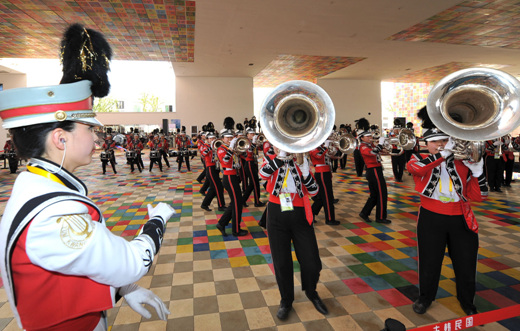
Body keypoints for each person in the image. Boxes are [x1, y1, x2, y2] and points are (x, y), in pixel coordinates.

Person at [0, 22, 176, 330]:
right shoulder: (52, 213)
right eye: (89, 128)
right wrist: (156, 221)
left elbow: (69, 272)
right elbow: (130, 263)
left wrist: (124, 289)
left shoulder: (39, 187)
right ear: (60, 138)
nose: (96, 139)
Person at [407, 106, 488, 316]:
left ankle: (467, 301)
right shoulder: (418, 160)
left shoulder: (463, 163)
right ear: (426, 143)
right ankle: (425, 298)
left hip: (461, 217)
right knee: (429, 261)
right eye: (434, 141)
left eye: (444, 140)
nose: (440, 144)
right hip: (431, 217)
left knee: (466, 262)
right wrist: (444, 154)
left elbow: (480, 196)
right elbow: (417, 170)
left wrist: (478, 171)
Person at [259, 145, 328, 320]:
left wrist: (305, 173)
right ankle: (286, 300)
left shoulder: (302, 161)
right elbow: (263, 175)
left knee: (312, 262)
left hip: (299, 214)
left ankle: (311, 291)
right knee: (281, 262)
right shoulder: (270, 158)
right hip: (276, 212)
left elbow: (314, 191)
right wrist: (280, 158)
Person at [215, 117, 248, 237]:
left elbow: (243, 154)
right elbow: (225, 160)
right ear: (222, 139)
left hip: (233, 176)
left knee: (235, 203)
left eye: (231, 137)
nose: (229, 139)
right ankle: (236, 230)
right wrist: (231, 148)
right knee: (237, 203)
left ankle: (222, 223)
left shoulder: (230, 147)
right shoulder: (221, 149)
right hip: (228, 177)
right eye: (227, 137)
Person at [356, 118, 391, 224]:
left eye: (370, 136)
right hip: (373, 170)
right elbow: (373, 152)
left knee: (375, 195)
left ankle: (364, 213)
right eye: (368, 136)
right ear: (362, 138)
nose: (371, 138)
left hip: (376, 169)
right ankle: (380, 217)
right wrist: (380, 144)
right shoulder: (362, 147)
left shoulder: (369, 144)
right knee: (382, 193)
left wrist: (385, 149)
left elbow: (378, 151)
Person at [309, 139, 340, 225]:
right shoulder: (313, 148)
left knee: (322, 197)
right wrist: (326, 146)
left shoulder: (321, 147)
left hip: (326, 172)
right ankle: (330, 219)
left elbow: (330, 155)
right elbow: (319, 156)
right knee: (327, 197)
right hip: (321, 172)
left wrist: (333, 147)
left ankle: (311, 213)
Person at [200, 131, 227, 212]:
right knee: (219, 187)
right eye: (211, 138)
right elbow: (203, 154)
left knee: (213, 188)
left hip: (216, 167)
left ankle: (204, 204)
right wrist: (210, 147)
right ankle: (221, 205)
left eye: (213, 138)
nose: (212, 139)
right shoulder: (205, 146)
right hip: (210, 168)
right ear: (207, 139)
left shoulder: (217, 145)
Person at [241, 127, 265, 207]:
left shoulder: (251, 141)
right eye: (251, 134)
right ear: (247, 135)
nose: (253, 135)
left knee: (252, 184)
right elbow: (249, 152)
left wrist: (259, 143)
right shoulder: (245, 142)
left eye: (254, 133)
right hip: (249, 163)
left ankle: (243, 200)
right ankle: (257, 202)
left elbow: (259, 149)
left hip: (253, 163)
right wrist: (254, 143)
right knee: (255, 183)